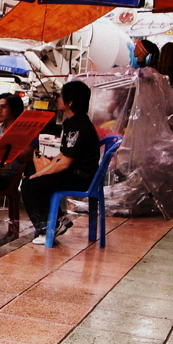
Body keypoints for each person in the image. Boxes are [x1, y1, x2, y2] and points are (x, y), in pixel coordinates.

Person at [21, 80, 101, 245]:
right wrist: (39, 173)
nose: (57, 98)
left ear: (70, 102)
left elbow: (64, 163)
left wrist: (39, 175)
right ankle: (58, 220)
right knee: (32, 178)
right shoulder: (72, 123)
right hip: (73, 173)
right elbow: (60, 156)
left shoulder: (80, 126)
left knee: (30, 186)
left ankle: (47, 228)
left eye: (61, 96)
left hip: (82, 178)